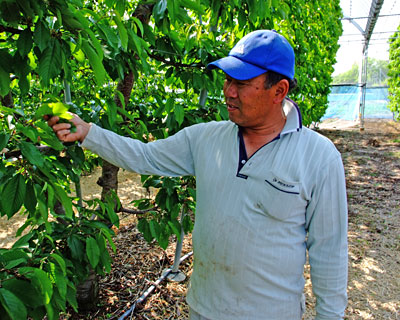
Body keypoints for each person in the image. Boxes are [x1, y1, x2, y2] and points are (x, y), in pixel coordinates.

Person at [47, 29, 348, 320]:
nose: (228, 92)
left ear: (278, 90)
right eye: (227, 79)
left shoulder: (318, 158)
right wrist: (88, 132)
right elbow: (145, 155)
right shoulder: (205, 140)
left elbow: (329, 251)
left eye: (241, 83)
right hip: (205, 307)